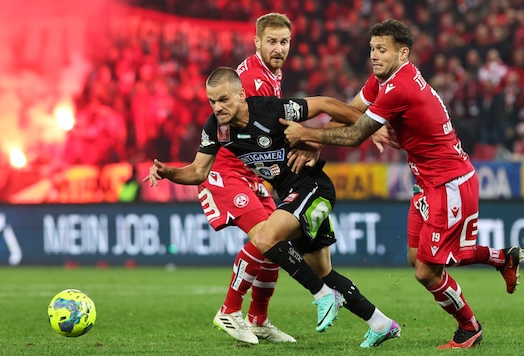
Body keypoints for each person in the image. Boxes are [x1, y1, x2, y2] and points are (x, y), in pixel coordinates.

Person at [280, 19, 523, 350]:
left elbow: (356, 134)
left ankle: (470, 327)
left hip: (449, 182)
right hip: (426, 182)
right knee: (417, 258)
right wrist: (318, 143)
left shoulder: (401, 87)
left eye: (382, 50)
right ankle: (502, 258)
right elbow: (352, 110)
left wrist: (306, 134)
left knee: (427, 270)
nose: (374, 56)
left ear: (403, 53)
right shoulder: (384, 79)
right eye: (371, 50)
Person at [144, 67, 401, 348]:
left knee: (265, 237)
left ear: (241, 95)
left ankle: (323, 295)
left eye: (224, 100)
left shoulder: (271, 109)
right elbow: (197, 172)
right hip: (293, 195)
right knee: (321, 269)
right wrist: (167, 171)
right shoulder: (216, 129)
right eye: (212, 102)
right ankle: (380, 323)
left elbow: (326, 104)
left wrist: (368, 126)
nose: (218, 108)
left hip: (313, 188)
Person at [199, 13, 297, 345]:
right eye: (271, 41)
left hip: (249, 172)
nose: (279, 48)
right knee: (266, 238)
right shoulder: (253, 81)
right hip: (228, 172)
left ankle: (258, 321)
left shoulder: (271, 75)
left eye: (284, 42)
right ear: (257, 42)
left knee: (276, 244)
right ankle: (229, 310)